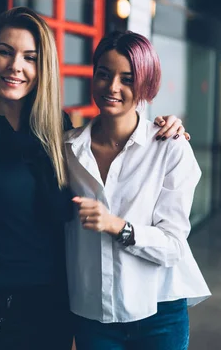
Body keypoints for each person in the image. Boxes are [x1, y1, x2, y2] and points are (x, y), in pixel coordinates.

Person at [0, 7, 191, 350]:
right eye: (5, 52)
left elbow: (174, 242)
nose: (16, 66)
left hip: (63, 304)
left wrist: (170, 128)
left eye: (30, 57)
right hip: (2, 306)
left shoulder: (55, 131)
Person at [64, 31, 211, 350]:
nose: (112, 87)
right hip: (93, 312)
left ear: (146, 84)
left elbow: (173, 244)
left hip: (158, 311)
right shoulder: (67, 149)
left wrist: (116, 225)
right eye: (103, 74)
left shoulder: (169, 147)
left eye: (127, 78)